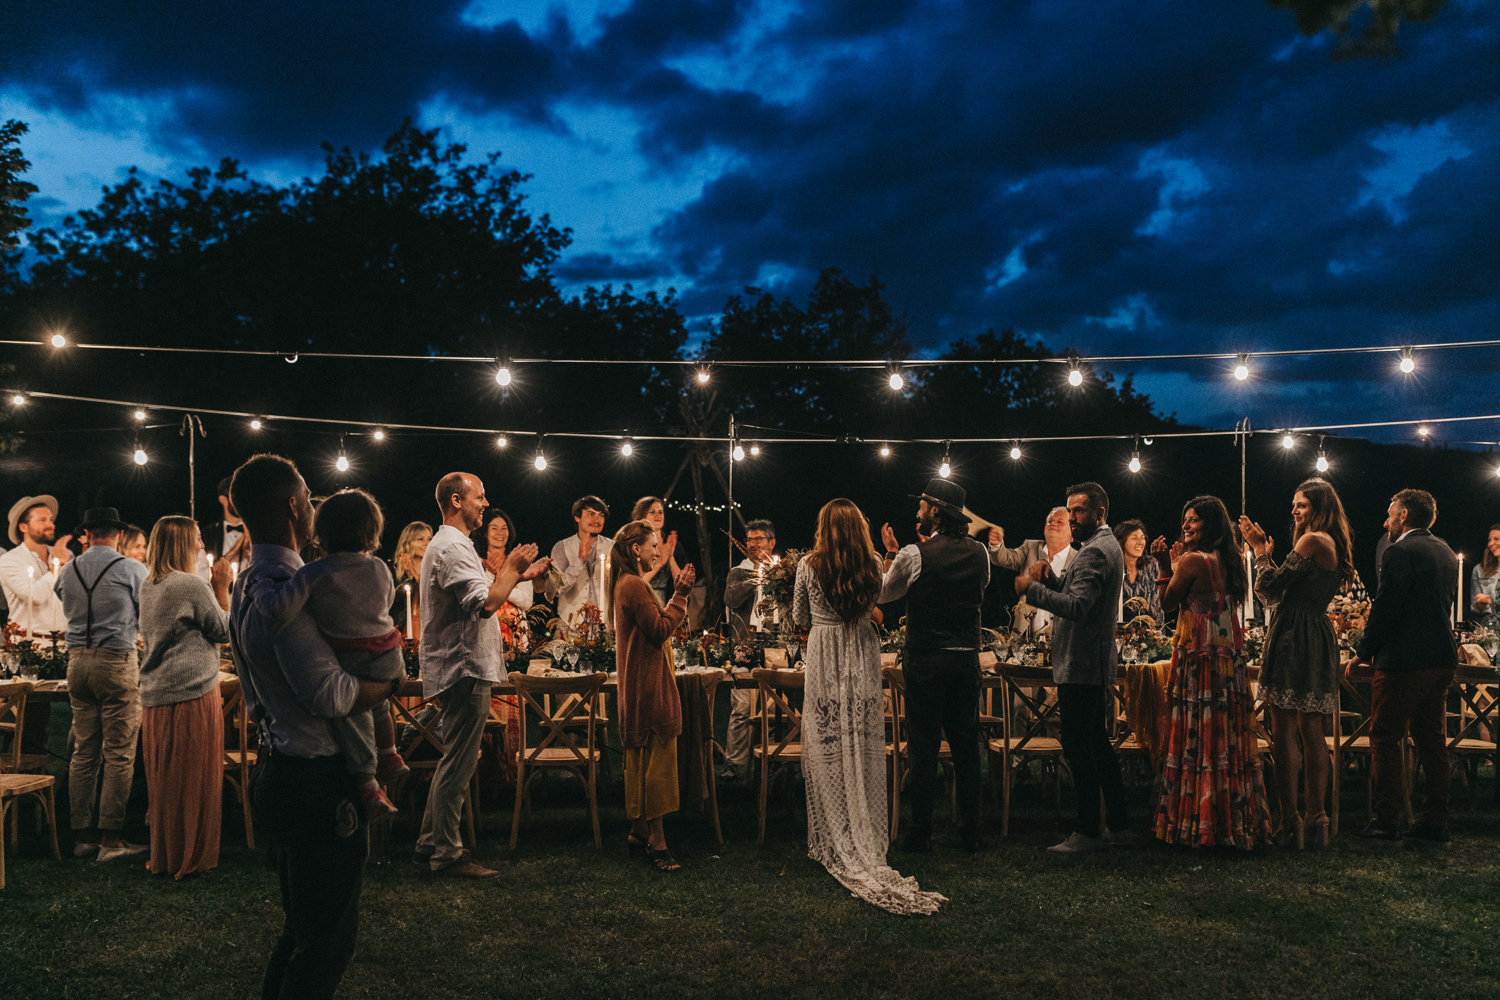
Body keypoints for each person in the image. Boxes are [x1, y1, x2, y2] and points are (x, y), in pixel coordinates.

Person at [228, 453, 398, 998]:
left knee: (303, 929)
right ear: (291, 508)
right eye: (306, 496)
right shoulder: (284, 582)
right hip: (313, 780)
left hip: (281, 766)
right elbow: (329, 692)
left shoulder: (251, 578)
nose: (312, 505)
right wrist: (390, 687)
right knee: (325, 941)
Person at [795, 499, 947, 913]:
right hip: (861, 651)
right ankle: (862, 823)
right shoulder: (872, 562)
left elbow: (798, 615)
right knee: (860, 738)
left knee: (826, 736)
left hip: (824, 653)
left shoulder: (808, 565)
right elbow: (889, 595)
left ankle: (833, 830)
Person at [246, 489, 412, 821]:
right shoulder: (380, 567)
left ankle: (368, 782)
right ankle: (390, 754)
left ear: (323, 532)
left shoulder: (314, 572)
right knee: (377, 701)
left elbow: (281, 609)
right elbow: (387, 600)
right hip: (389, 653)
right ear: (371, 530)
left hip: (349, 656)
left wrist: (261, 589)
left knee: (352, 713)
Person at [417, 472, 545, 878]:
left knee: (453, 760)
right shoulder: (452, 546)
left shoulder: (455, 545)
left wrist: (514, 576)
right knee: (458, 762)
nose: (486, 503)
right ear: (456, 501)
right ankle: (447, 855)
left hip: (463, 666)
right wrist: (510, 567)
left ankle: (428, 843)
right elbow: (486, 603)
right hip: (463, 667)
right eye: (480, 497)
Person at [1015, 483, 1131, 853]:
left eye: (1078, 511)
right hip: (1088, 662)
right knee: (1098, 745)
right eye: (1070, 510)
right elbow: (1075, 591)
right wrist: (1051, 578)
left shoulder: (1096, 551)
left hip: (1082, 662)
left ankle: (1087, 831)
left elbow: (1079, 607)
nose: (1072, 518)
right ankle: (1119, 823)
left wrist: (1031, 590)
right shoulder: (1099, 547)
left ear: (1099, 513)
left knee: (1080, 747)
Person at [1151, 496, 1271, 850]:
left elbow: (1167, 604)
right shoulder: (1232, 562)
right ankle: (1233, 821)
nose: (1186, 526)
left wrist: (1162, 567)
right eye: (1185, 520)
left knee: (1198, 733)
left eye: (1194, 521)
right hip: (1228, 654)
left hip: (1199, 653)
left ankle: (1196, 822)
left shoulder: (1192, 561)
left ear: (1211, 525)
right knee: (1226, 733)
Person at [1240, 478, 1355, 849]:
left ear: (1320, 508)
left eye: (1301, 505)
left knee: (1286, 728)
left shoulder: (1312, 540)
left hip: (1295, 634)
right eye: (1294, 504)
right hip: (1316, 633)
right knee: (1312, 730)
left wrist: (1259, 551)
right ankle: (1316, 816)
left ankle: (1291, 819)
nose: (1294, 511)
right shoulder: (1330, 542)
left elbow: (1271, 589)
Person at [878, 478, 989, 852]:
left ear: (936, 512)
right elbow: (979, 591)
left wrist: (891, 554)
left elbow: (884, 593)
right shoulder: (980, 554)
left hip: (926, 659)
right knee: (966, 747)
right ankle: (971, 832)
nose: (917, 512)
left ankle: (920, 833)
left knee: (923, 747)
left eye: (922, 506)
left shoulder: (913, 554)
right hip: (965, 660)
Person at [1351, 489, 1459, 846]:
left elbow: (1386, 607)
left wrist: (1364, 651)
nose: (1385, 522)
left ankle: (1388, 818)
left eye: (1390, 514)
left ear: (1405, 516)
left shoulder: (1399, 551)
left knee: (1384, 735)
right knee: (1432, 741)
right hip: (1441, 657)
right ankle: (1435, 820)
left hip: (1405, 661)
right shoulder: (1445, 551)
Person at [138, 515, 233, 878]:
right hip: (192, 691)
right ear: (181, 543)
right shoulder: (191, 585)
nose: (201, 545)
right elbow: (225, 629)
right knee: (194, 778)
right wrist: (223, 585)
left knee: (166, 781)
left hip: (157, 694)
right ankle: (192, 856)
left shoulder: (150, 584)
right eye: (196, 538)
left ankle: (167, 853)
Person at [53, 506, 150, 861]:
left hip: (77, 661)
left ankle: (81, 836)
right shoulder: (130, 568)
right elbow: (147, 609)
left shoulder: (68, 569)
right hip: (115, 660)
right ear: (119, 534)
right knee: (119, 753)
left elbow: (61, 596)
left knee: (84, 751)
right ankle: (111, 838)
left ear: (88, 535)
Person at [609, 519, 694, 872]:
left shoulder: (627, 584)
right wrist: (680, 597)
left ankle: (638, 829)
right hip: (649, 684)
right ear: (635, 549)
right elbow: (658, 631)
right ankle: (657, 842)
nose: (658, 551)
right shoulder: (634, 586)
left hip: (638, 681)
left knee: (641, 758)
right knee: (657, 760)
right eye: (653, 544)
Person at [721, 518, 777, 779]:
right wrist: (756, 578)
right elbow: (731, 600)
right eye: (750, 540)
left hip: (775, 650)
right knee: (742, 708)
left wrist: (772, 576)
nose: (753, 544)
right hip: (745, 648)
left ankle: (772, 760)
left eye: (759, 539)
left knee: (773, 709)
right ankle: (734, 763)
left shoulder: (781, 572)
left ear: (771, 542)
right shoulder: (738, 572)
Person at [990, 506, 1074, 635]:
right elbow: (1005, 558)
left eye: (1060, 522)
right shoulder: (1030, 547)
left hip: (1063, 638)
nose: (1053, 524)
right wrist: (996, 544)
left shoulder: (1078, 559)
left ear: (1072, 531)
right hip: (1025, 636)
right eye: (1050, 521)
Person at [1, 494, 73, 643]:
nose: (50, 524)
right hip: (30, 644)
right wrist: (58, 565)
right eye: (42, 520)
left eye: (51, 519)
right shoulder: (9, 560)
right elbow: (34, 596)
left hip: (65, 643)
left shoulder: (63, 554)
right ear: (23, 527)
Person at [551, 495, 612, 627]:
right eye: (591, 514)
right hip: (571, 627)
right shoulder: (561, 547)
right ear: (577, 517)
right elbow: (557, 590)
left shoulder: (612, 547)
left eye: (601, 515)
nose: (597, 520)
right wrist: (579, 560)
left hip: (604, 625)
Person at [631, 496, 682, 606]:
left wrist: (671, 557)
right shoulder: (635, 545)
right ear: (642, 515)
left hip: (665, 604)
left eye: (660, 512)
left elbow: (682, 584)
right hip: (640, 602)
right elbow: (634, 585)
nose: (658, 515)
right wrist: (658, 565)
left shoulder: (672, 545)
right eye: (652, 512)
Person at [1114, 519, 1164, 627]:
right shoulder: (1113, 567)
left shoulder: (1151, 565)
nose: (1140, 542)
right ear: (1121, 542)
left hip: (1146, 633)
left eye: (1142, 538)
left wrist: (1158, 637)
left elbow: (1156, 605)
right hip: (1118, 632)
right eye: (1134, 538)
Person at [196, 476, 247, 581]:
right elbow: (201, 574)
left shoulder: (257, 532)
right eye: (237, 497)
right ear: (223, 500)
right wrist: (237, 547)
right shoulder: (207, 534)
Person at [389, 520, 433, 639]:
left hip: (429, 629)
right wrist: (408, 579)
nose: (426, 543)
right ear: (408, 542)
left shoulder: (435, 570)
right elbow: (389, 602)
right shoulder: (393, 569)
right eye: (420, 539)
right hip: (401, 630)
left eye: (429, 539)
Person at [1468, 524, 1500, 629]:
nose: (1491, 543)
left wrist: (1492, 601)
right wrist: (1480, 604)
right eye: (1489, 540)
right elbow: (1474, 606)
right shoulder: (1480, 570)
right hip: (1488, 629)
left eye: (1496, 539)